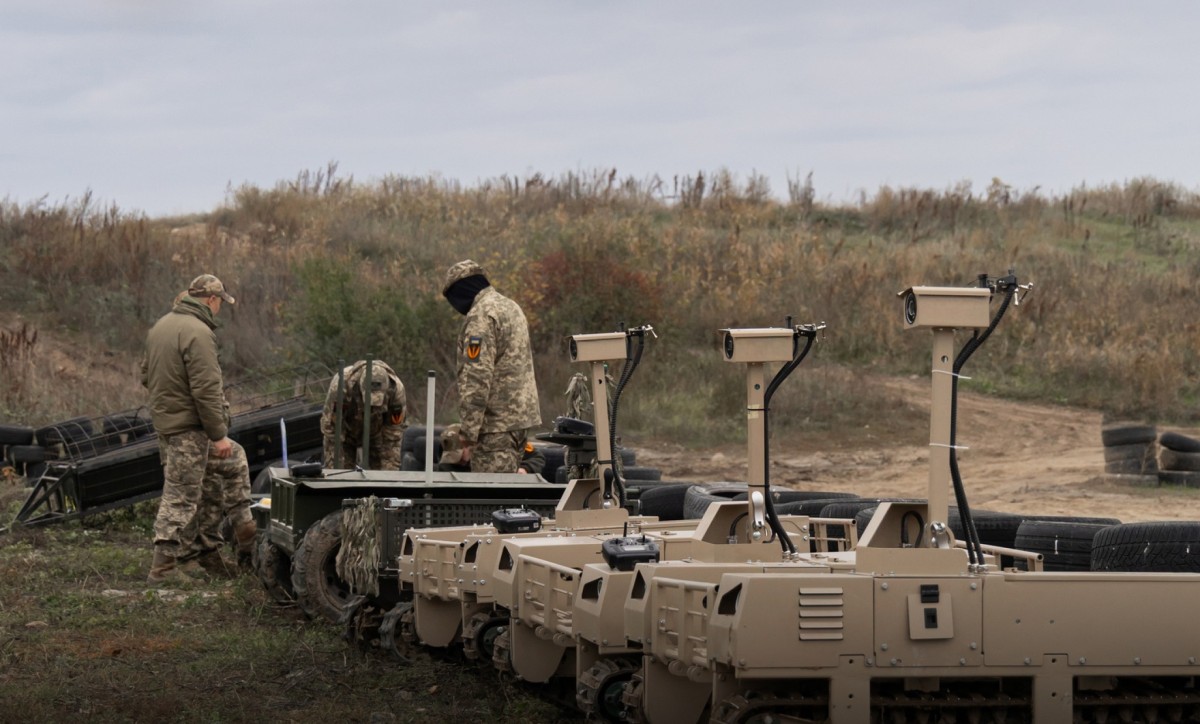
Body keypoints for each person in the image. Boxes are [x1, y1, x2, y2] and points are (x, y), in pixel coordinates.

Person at [142, 274, 256, 584]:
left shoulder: (161, 327)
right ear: (212, 300)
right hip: (189, 429)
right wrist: (218, 434)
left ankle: (209, 551)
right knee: (181, 495)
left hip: (169, 426)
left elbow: (145, 375)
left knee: (226, 467)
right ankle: (163, 569)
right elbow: (206, 389)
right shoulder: (199, 332)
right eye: (221, 303)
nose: (220, 309)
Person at [441, 259, 541, 473]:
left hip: (495, 426)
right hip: (519, 421)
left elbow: (476, 379)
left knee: (493, 497)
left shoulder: (480, 316)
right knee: (511, 497)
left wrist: (467, 434)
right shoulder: (511, 307)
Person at [320, 360, 407, 470]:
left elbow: (393, 433)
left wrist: (389, 469)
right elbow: (331, 427)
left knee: (386, 476)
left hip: (377, 433)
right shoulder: (342, 384)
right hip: (345, 433)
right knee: (338, 474)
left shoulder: (396, 390)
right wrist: (338, 460)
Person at [436, 423, 545, 475]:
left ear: (468, 445)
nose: (458, 462)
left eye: (459, 456)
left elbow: (537, 457)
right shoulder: (447, 465)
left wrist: (525, 468)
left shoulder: (496, 443)